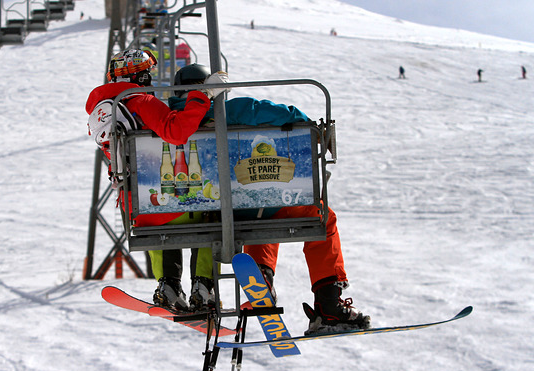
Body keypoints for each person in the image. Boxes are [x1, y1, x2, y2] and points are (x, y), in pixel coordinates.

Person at [169, 64, 371, 334]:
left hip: (212, 212)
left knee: (257, 207)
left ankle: (260, 279)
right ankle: (328, 304)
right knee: (311, 213)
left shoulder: (168, 122)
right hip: (261, 205)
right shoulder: (236, 110)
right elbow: (288, 116)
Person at [86, 50, 229, 311]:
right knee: (211, 214)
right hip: (176, 201)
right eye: (147, 75)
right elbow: (176, 132)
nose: (151, 81)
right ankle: (203, 285)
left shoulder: (103, 112)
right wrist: (204, 96)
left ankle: (169, 285)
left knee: (160, 229)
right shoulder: (139, 102)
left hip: (140, 206)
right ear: (139, 77)